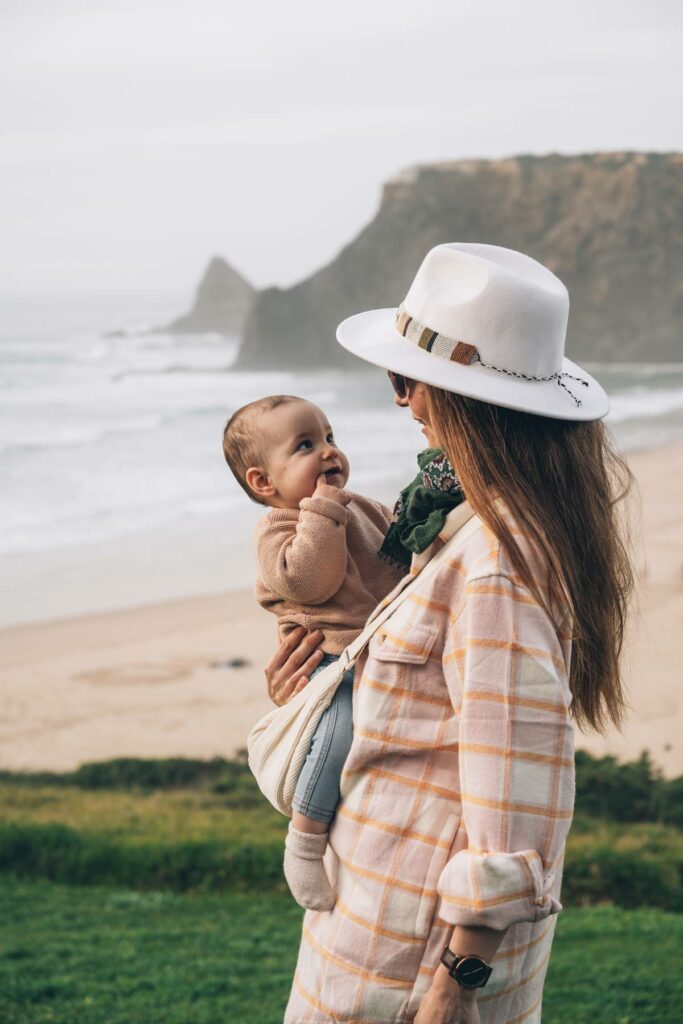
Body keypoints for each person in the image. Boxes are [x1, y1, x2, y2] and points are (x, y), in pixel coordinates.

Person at [264, 243, 634, 1023]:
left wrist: (451, 982)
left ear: (460, 398)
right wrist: (326, 686)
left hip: (404, 961)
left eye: (408, 381)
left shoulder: (497, 556)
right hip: (374, 916)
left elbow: (516, 792)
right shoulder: (461, 519)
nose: (403, 403)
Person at [222, 395, 405, 910]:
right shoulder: (279, 528)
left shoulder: (359, 508)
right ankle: (304, 840)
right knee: (340, 726)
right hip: (333, 661)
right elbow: (311, 579)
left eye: (330, 437)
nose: (329, 453)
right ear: (264, 482)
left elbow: (402, 554)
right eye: (306, 445)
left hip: (379, 647)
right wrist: (323, 510)